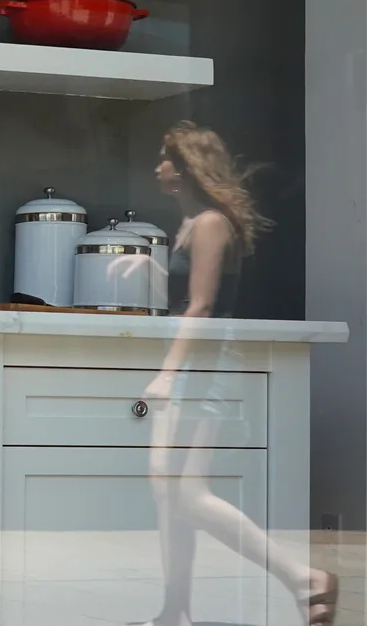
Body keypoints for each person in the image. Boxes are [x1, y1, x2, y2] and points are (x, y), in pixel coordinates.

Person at [132, 121, 336, 626]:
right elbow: (192, 296)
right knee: (167, 491)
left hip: (201, 366)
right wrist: (147, 270)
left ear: (186, 168)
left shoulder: (209, 223)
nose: (158, 166)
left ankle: (303, 577)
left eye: (166, 158)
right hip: (191, 364)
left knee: (187, 493)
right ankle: (173, 609)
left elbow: (201, 308)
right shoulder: (192, 225)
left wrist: (167, 375)